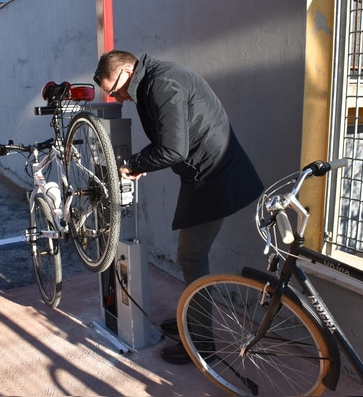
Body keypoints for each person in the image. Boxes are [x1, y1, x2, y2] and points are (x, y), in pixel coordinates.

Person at [93, 50, 264, 364]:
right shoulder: (154, 78)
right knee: (191, 256)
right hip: (204, 173)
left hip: (215, 178)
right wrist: (143, 162)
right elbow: (171, 140)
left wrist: (133, 163)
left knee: (191, 255)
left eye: (116, 91)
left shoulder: (161, 84)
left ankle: (202, 344)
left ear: (126, 71)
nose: (118, 99)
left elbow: (173, 148)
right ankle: (193, 316)